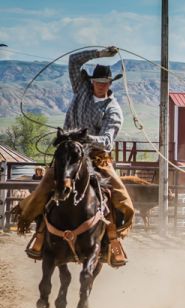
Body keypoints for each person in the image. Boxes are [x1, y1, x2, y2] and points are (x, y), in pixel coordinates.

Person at [14, 47, 134, 267]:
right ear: (92, 82)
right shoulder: (82, 89)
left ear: (110, 84)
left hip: (97, 158)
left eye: (104, 82)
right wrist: (101, 53)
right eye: (97, 81)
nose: (100, 85)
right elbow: (73, 61)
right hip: (68, 152)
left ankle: (113, 241)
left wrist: (85, 139)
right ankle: (38, 233)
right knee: (45, 187)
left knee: (121, 197)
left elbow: (107, 141)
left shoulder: (113, 109)